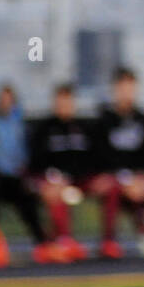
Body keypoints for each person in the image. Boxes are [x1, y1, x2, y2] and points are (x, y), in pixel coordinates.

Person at [29, 83, 120, 261]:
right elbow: (36, 164)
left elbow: (97, 159)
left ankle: (108, 242)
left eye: (68, 101)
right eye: (61, 102)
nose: (65, 106)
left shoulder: (85, 128)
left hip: (82, 180)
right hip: (56, 181)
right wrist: (52, 178)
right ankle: (64, 242)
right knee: (55, 191)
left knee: (111, 185)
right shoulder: (44, 130)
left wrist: (99, 177)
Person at [0, 83, 49, 249]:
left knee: (28, 198)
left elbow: (25, 153)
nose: (5, 103)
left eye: (8, 100)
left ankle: (43, 242)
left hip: (16, 176)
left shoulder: (19, 125)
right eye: (2, 99)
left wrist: (23, 170)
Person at [97, 67, 144, 236]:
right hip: (113, 176)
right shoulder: (103, 120)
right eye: (122, 88)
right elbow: (101, 155)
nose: (126, 93)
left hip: (138, 177)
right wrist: (122, 178)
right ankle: (108, 239)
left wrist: (142, 176)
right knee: (111, 187)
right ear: (114, 90)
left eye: (130, 88)